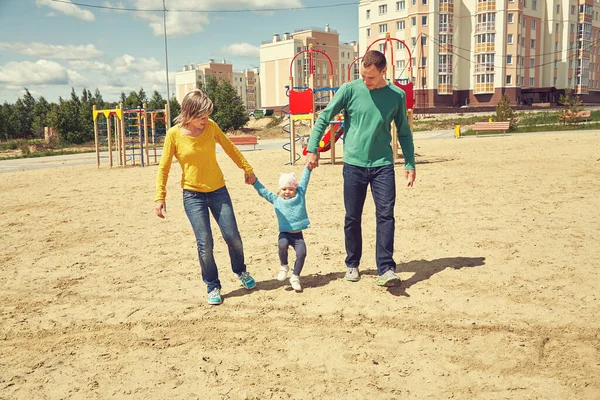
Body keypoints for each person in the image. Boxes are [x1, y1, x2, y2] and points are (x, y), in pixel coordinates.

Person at [305, 50, 416, 287]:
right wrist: (312, 148)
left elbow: (404, 131)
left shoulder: (396, 95)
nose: (366, 81)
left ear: (383, 71)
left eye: (371, 78)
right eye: (363, 76)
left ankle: (386, 268)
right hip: (353, 164)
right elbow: (324, 117)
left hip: (383, 165)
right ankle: (352, 264)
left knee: (386, 216)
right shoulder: (349, 89)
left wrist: (409, 163)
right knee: (352, 217)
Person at [154, 89, 257, 305]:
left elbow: (230, 148)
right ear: (189, 114)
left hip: (218, 191)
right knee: (205, 243)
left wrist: (247, 168)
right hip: (193, 196)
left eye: (207, 116)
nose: (206, 120)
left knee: (233, 237)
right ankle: (212, 285)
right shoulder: (173, 134)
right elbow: (163, 168)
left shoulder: (211, 127)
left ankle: (240, 271)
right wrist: (160, 196)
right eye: (201, 116)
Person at [250, 167, 312, 291]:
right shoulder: (276, 200)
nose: (287, 191)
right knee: (282, 244)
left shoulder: (300, 195)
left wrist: (308, 168)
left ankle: (295, 277)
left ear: (296, 189)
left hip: (298, 235)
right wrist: (254, 182)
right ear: (280, 190)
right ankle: (284, 266)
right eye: (284, 189)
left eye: (291, 189)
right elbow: (264, 192)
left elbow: (304, 180)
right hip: (284, 233)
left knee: (302, 253)